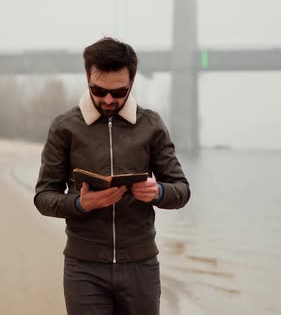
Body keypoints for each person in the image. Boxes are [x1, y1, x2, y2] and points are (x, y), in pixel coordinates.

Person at [34, 37, 190, 315]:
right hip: (84, 269)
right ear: (87, 77)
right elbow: (43, 197)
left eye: (119, 92)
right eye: (98, 90)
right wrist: (81, 204)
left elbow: (182, 190)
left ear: (132, 82)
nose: (108, 99)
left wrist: (159, 192)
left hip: (141, 267)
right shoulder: (65, 127)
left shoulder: (151, 125)